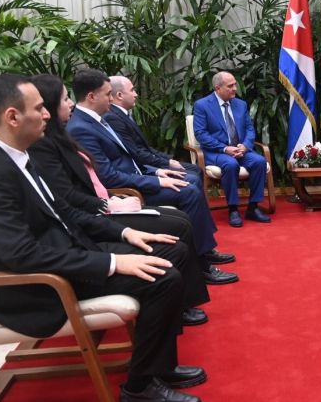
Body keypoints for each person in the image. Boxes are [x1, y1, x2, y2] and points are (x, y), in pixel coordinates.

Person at [0, 73, 205, 402]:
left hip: (66, 255)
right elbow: (22, 256)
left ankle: (160, 365)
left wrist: (126, 233)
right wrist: (113, 263)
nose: (48, 114)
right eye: (39, 108)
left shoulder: (15, 156)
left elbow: (64, 212)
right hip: (37, 285)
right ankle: (140, 389)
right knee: (163, 277)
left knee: (172, 249)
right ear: (12, 117)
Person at [27, 74, 238, 296]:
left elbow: (132, 154)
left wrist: (157, 170)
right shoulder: (76, 129)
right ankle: (201, 266)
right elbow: (98, 181)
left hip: (117, 193)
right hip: (116, 197)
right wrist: (113, 201)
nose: (70, 103)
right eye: (65, 99)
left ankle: (203, 256)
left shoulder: (87, 124)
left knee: (188, 189)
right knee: (187, 198)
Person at [66, 68, 222, 261]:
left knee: (188, 182)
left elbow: (129, 156)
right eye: (107, 94)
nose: (111, 99)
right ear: (91, 97)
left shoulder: (95, 121)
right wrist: (156, 181)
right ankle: (202, 258)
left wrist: (156, 172)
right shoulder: (81, 128)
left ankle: (204, 249)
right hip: (127, 189)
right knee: (189, 190)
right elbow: (108, 176)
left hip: (139, 175)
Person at [192, 71, 272, 227]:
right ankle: (233, 209)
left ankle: (253, 207)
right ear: (218, 88)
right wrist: (224, 148)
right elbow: (201, 134)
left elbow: (249, 129)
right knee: (230, 164)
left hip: (241, 150)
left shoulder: (241, 104)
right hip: (217, 152)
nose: (235, 88)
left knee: (259, 162)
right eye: (230, 86)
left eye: (235, 84)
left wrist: (246, 146)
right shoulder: (202, 105)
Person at [104, 74, 203, 188]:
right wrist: (165, 163)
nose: (136, 94)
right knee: (193, 176)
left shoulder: (122, 114)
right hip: (142, 168)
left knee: (195, 169)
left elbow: (144, 148)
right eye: (132, 90)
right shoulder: (113, 118)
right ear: (120, 95)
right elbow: (136, 153)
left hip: (148, 162)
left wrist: (168, 159)